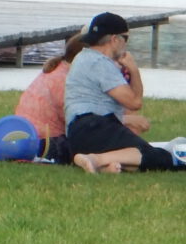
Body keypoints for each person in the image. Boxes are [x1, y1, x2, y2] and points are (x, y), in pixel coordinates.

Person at [66, 13, 179, 174]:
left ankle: (106, 165)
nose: (126, 44)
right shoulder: (101, 63)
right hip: (97, 127)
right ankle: (96, 159)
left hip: (77, 135)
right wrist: (133, 69)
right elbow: (134, 103)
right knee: (160, 158)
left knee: (136, 161)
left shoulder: (82, 58)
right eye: (126, 38)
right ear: (115, 39)